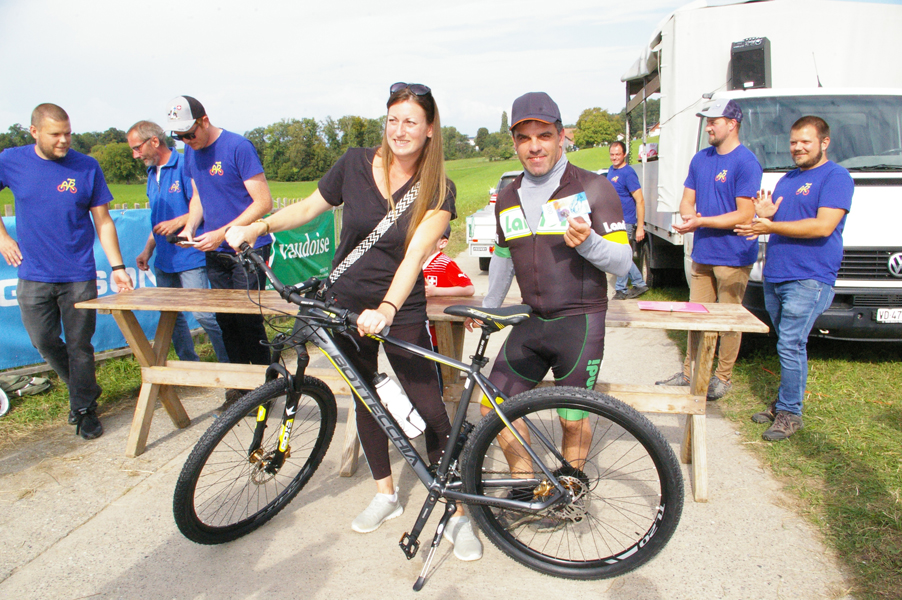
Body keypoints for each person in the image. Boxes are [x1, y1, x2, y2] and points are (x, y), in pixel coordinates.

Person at [225, 82, 482, 561]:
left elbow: (414, 257)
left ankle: (456, 510)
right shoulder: (354, 163)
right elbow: (308, 208)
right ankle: (386, 494)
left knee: (430, 405)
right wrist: (258, 226)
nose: (399, 130)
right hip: (343, 301)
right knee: (366, 398)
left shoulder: (437, 187)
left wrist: (387, 310)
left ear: (429, 129)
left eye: (411, 122)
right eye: (393, 119)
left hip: (398, 307)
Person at [469, 92, 632, 505]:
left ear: (561, 136)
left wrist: (589, 243)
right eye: (524, 138)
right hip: (532, 321)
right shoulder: (508, 195)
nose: (535, 146)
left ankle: (569, 495)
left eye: (544, 135)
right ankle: (526, 488)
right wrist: (489, 308)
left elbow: (623, 261)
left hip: (579, 322)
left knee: (572, 420)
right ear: (515, 143)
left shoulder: (592, 187)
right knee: (493, 408)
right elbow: (503, 255)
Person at [0, 103, 134, 440]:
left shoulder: (86, 166)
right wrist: (2, 237)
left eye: (68, 134)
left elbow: (103, 221)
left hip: (78, 275)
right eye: (55, 134)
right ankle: (84, 387)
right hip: (33, 274)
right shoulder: (11, 160)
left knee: (79, 346)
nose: (63, 140)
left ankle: (85, 409)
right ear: (34, 132)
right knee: (43, 341)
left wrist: (118, 267)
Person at [734, 116, 852, 441]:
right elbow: (783, 221)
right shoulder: (788, 179)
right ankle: (784, 402)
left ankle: (790, 413)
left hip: (809, 276)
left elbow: (823, 226)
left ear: (824, 142)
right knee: (786, 342)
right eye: (793, 142)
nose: (798, 148)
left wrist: (771, 226)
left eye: (805, 142)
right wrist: (766, 216)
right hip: (777, 274)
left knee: (791, 343)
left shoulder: (836, 177)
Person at [164, 96, 274, 409]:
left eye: (190, 134)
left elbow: (263, 202)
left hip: (247, 249)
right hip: (216, 250)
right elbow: (199, 195)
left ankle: (265, 391)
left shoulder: (238, 147)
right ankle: (238, 391)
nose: (187, 141)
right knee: (226, 322)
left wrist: (224, 232)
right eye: (180, 137)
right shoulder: (190, 151)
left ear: (204, 120)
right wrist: (190, 227)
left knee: (249, 322)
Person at [656, 99, 762, 400]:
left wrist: (701, 221)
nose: (708, 127)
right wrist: (689, 216)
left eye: (714, 121)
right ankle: (690, 373)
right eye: (707, 122)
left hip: (733, 255)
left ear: (732, 124)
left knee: (728, 320)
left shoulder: (746, 162)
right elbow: (687, 199)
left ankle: (722, 378)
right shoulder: (700, 159)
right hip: (703, 253)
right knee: (696, 317)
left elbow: (745, 215)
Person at [126, 121, 228, 364]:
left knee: (204, 315)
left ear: (154, 141)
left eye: (137, 148)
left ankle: (232, 365)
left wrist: (178, 222)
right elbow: (158, 220)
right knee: (170, 317)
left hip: (190, 257)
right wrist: (148, 249)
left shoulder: (185, 164)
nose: (135, 155)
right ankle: (189, 364)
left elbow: (203, 205)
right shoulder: (151, 173)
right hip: (164, 260)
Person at [607, 141, 648, 299]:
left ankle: (621, 289)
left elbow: (640, 200)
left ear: (624, 154)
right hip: (614, 221)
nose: (614, 157)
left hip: (626, 221)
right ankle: (639, 283)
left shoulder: (628, 173)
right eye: (612, 154)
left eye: (618, 154)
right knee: (620, 254)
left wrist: (640, 227)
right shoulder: (611, 170)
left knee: (621, 254)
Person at [423, 224, 475, 350]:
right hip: (420, 324)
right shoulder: (414, 262)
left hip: (439, 329)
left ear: (443, 243)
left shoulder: (445, 264)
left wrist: (436, 291)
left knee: (438, 357)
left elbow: (469, 288)